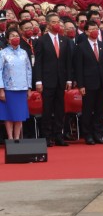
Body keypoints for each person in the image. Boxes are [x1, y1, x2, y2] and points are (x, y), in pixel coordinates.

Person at [33, 12, 72, 147]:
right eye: (54, 22)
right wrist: (38, 81)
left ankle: (58, 136)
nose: (57, 24)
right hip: (47, 80)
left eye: (58, 22)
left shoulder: (65, 40)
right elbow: (38, 62)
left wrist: (69, 80)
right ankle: (46, 136)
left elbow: (67, 62)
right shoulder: (41, 41)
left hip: (61, 80)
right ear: (48, 25)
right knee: (47, 110)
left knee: (60, 109)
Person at [74, 21, 103, 145]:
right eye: (92, 29)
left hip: (101, 82)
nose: (95, 31)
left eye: (97, 28)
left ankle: (98, 133)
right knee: (88, 110)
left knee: (100, 110)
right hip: (88, 83)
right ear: (86, 32)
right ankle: (88, 134)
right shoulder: (81, 46)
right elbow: (78, 67)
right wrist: (81, 85)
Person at [0, 27, 32, 140]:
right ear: (8, 40)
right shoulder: (3, 53)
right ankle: (10, 138)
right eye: (12, 36)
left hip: (22, 88)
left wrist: (29, 87)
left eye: (17, 36)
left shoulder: (23, 53)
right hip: (8, 89)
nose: (15, 38)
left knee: (19, 115)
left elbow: (28, 70)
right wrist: (1, 89)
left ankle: (17, 138)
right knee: (9, 115)